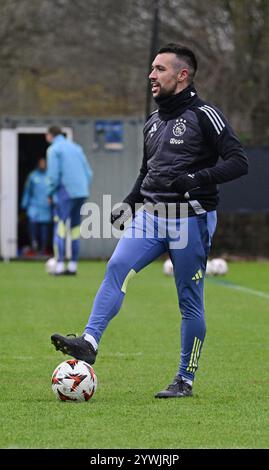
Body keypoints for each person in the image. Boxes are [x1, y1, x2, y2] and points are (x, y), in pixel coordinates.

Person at [51, 43, 248, 397]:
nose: (151, 75)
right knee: (117, 266)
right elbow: (148, 172)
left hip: (192, 218)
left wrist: (196, 178)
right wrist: (129, 203)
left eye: (159, 69)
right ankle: (90, 343)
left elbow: (238, 161)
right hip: (152, 215)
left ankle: (185, 379)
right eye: (152, 69)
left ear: (182, 75)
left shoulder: (205, 114)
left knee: (189, 299)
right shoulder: (153, 122)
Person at [46, 126, 93, 275]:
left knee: (59, 227)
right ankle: (73, 266)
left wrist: (49, 192)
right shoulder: (76, 148)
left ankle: (59, 266)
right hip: (81, 192)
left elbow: (53, 175)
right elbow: (88, 173)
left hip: (65, 192)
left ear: (49, 135)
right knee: (75, 230)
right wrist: (82, 188)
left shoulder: (54, 150)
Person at [21, 158, 52, 255]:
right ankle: (34, 242)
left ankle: (42, 249)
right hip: (34, 206)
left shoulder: (50, 176)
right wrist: (24, 204)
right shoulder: (33, 176)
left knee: (44, 229)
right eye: (41, 163)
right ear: (38, 164)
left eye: (44, 163)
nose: (43, 165)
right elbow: (27, 190)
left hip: (46, 207)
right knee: (32, 223)